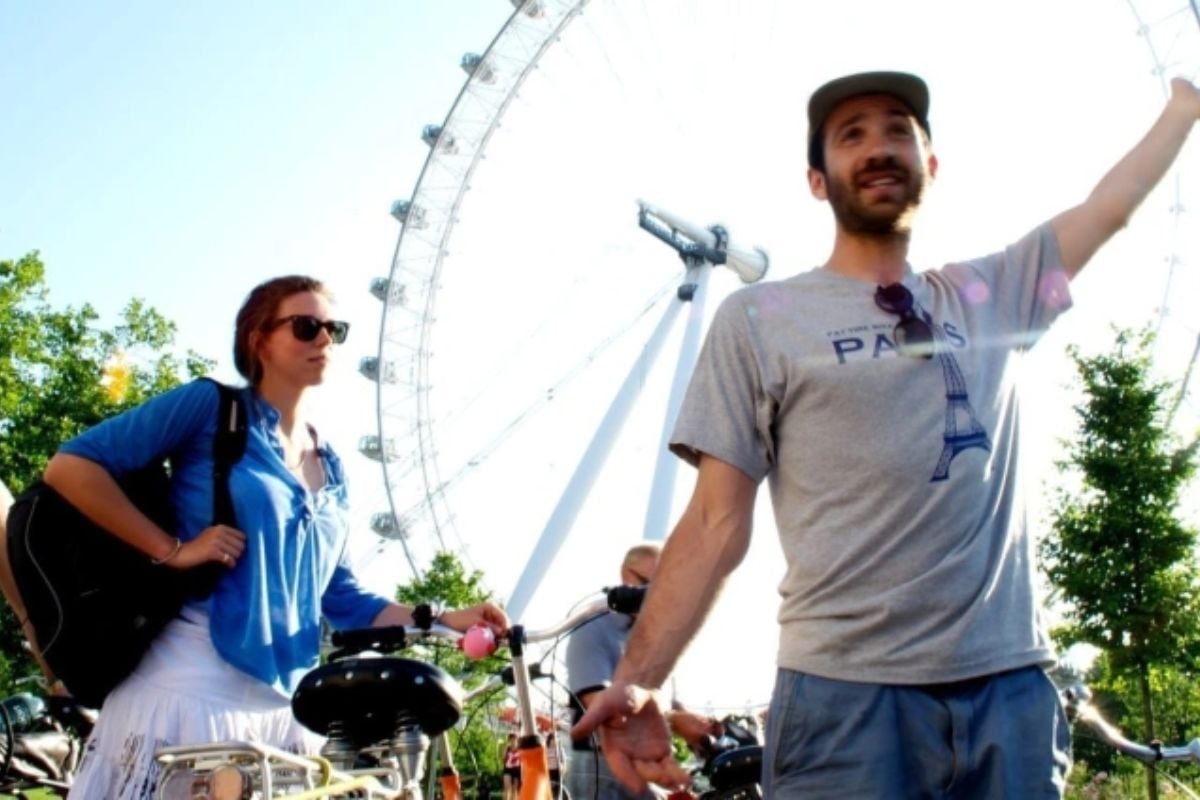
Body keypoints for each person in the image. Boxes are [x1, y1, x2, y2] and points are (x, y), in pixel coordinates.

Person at [573, 71, 1200, 799]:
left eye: (899, 129)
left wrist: (1187, 106)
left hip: (1011, 696)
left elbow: (1109, 209)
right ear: (817, 179)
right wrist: (640, 679)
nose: (879, 147)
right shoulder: (759, 318)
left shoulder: (997, 295)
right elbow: (716, 521)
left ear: (929, 167)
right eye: (852, 135)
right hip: (846, 700)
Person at [40, 275, 507, 799]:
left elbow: (342, 599)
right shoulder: (208, 408)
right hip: (187, 688)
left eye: (334, 329)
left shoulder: (329, 464)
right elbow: (72, 467)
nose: (324, 340)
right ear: (257, 338)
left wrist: (443, 618)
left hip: (286, 714)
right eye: (306, 327)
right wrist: (172, 550)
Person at [566, 543, 718, 800]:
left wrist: (692, 722)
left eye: (662, 591)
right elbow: (602, 708)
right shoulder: (592, 626)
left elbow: (662, 700)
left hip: (646, 763)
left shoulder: (655, 633)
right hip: (600, 769)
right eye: (648, 585)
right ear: (625, 575)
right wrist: (675, 720)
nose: (654, 599)